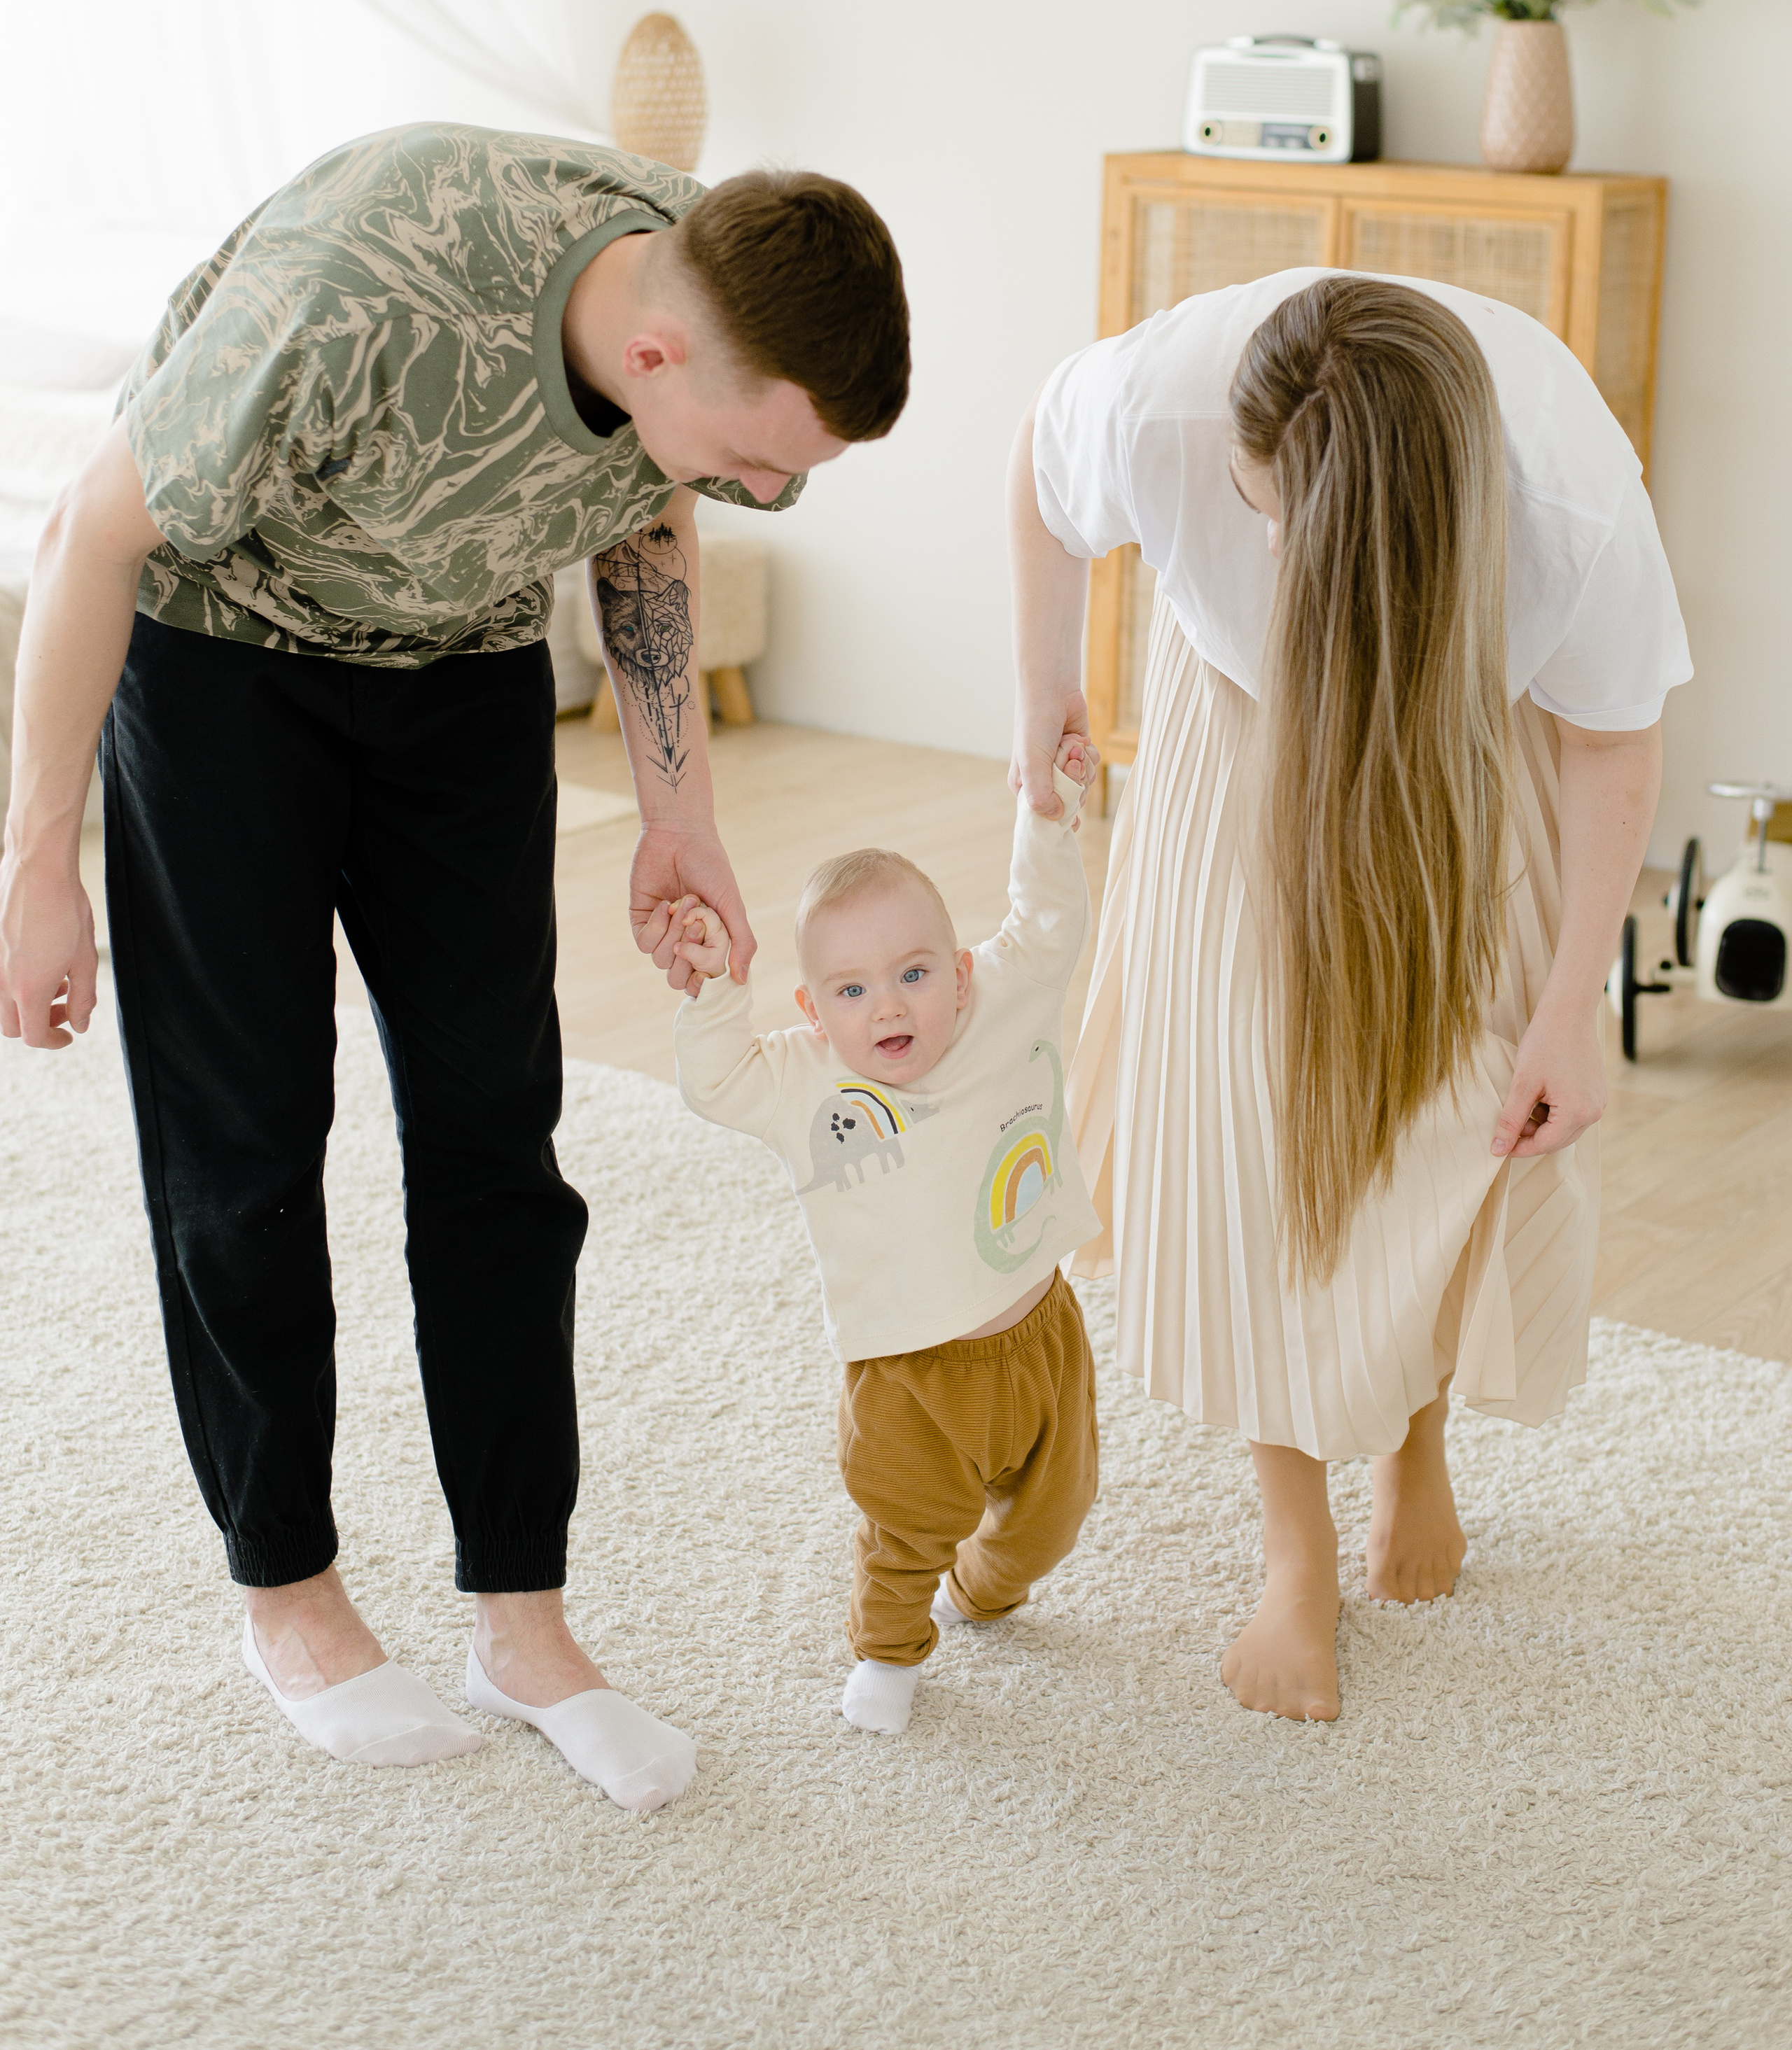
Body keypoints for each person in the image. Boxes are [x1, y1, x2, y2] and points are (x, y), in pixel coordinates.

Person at [0, 124, 909, 1804]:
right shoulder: (355, 292)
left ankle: (521, 1613)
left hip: (460, 663)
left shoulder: (687, 294)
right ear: (656, 353)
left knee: (497, 1137)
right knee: (246, 1148)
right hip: (223, 664)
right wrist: (38, 868)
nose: (768, 494)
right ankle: (288, 1594)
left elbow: (648, 521)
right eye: (757, 460)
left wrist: (676, 812)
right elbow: (88, 538)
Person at [1008, 269, 1689, 1725]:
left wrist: (1572, 1012)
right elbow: (1037, 475)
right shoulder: (1168, 401)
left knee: (1451, 1113)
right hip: (1235, 719)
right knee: (1245, 1128)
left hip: (1457, 726)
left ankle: (1411, 1441)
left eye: (1283, 523)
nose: (1258, 532)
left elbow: (1610, 748)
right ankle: (1292, 1547)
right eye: (1250, 504)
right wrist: (1040, 691)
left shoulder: (1562, 503)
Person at [670, 746, 1102, 1736]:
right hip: (909, 1375)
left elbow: (1047, 926)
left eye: (913, 973)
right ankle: (889, 1649)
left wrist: (1049, 814)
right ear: (813, 1010)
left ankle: (987, 1588)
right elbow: (714, 1082)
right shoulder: (805, 1076)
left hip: (1040, 1335)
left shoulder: (996, 1005)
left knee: (1055, 1514)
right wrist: (711, 989)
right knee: (906, 1530)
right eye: (854, 990)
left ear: (956, 971)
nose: (892, 1006)